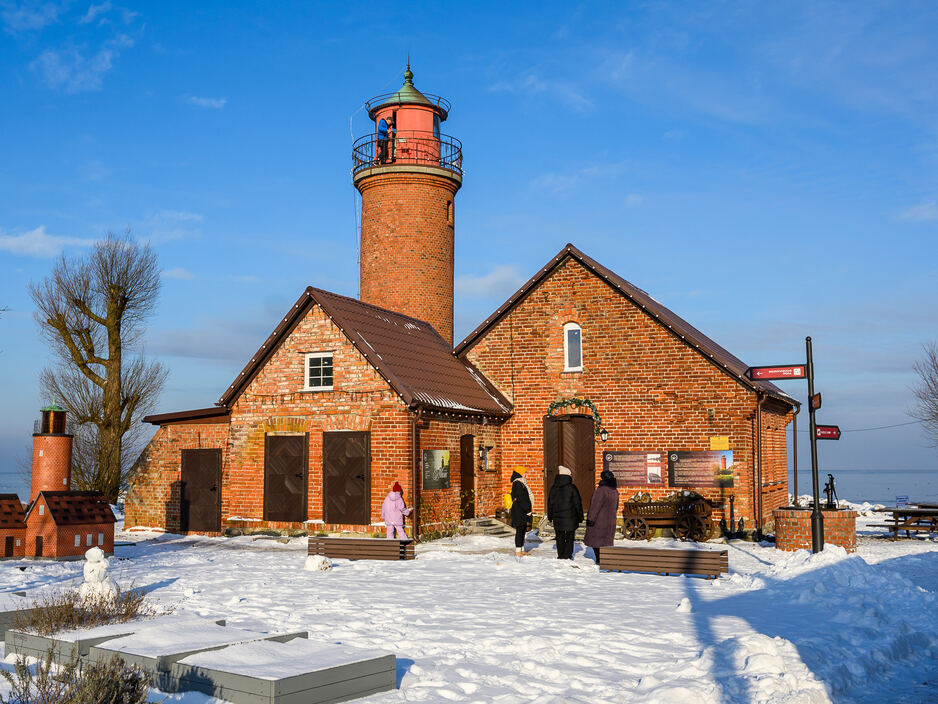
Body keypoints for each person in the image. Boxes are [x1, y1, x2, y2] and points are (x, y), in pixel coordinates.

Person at [584, 469, 619, 564]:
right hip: (610, 520)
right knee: (605, 541)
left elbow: (595, 506)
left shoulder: (601, 490)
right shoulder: (615, 491)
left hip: (599, 521)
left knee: (596, 541)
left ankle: (599, 559)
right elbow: (616, 507)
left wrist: (590, 519)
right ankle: (604, 558)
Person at [547, 465, 583, 559]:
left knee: (559, 537)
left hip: (557, 518)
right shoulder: (572, 488)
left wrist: (550, 516)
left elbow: (550, 503)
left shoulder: (553, 488)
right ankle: (567, 555)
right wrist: (580, 516)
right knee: (570, 537)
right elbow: (577, 504)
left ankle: (561, 555)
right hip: (570, 517)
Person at [508, 466, 533, 558]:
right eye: (524, 473)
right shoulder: (518, 483)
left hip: (521, 510)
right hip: (519, 511)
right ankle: (518, 551)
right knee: (520, 531)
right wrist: (528, 510)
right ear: (520, 473)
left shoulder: (521, 483)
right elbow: (521, 498)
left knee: (523, 530)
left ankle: (522, 549)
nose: (526, 474)